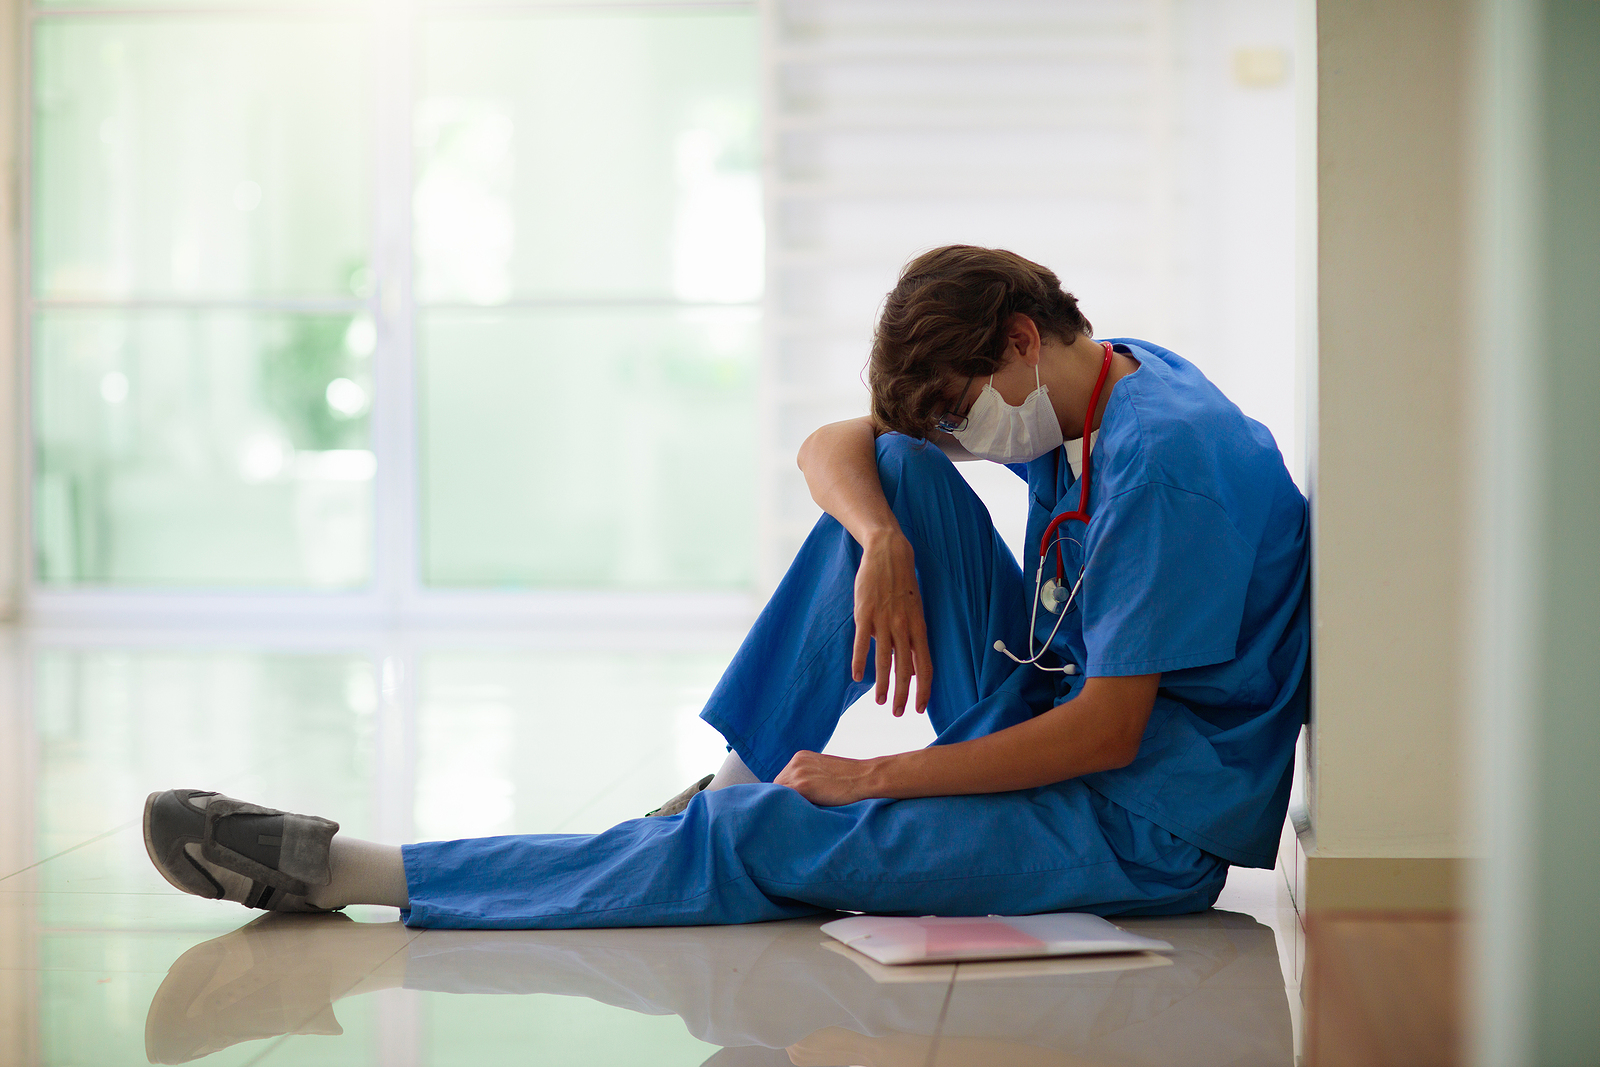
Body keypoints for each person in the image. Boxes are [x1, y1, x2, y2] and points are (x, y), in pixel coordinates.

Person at [143, 245, 1309, 928]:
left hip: (1137, 820)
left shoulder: (1170, 463)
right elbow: (834, 448)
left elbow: (1109, 734)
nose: (968, 438)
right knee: (887, 477)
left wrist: (876, 776)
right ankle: (732, 783)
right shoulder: (1108, 377)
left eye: (963, 409)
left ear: (1016, 338)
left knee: (764, 837)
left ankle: (353, 871)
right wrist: (885, 538)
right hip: (1047, 700)